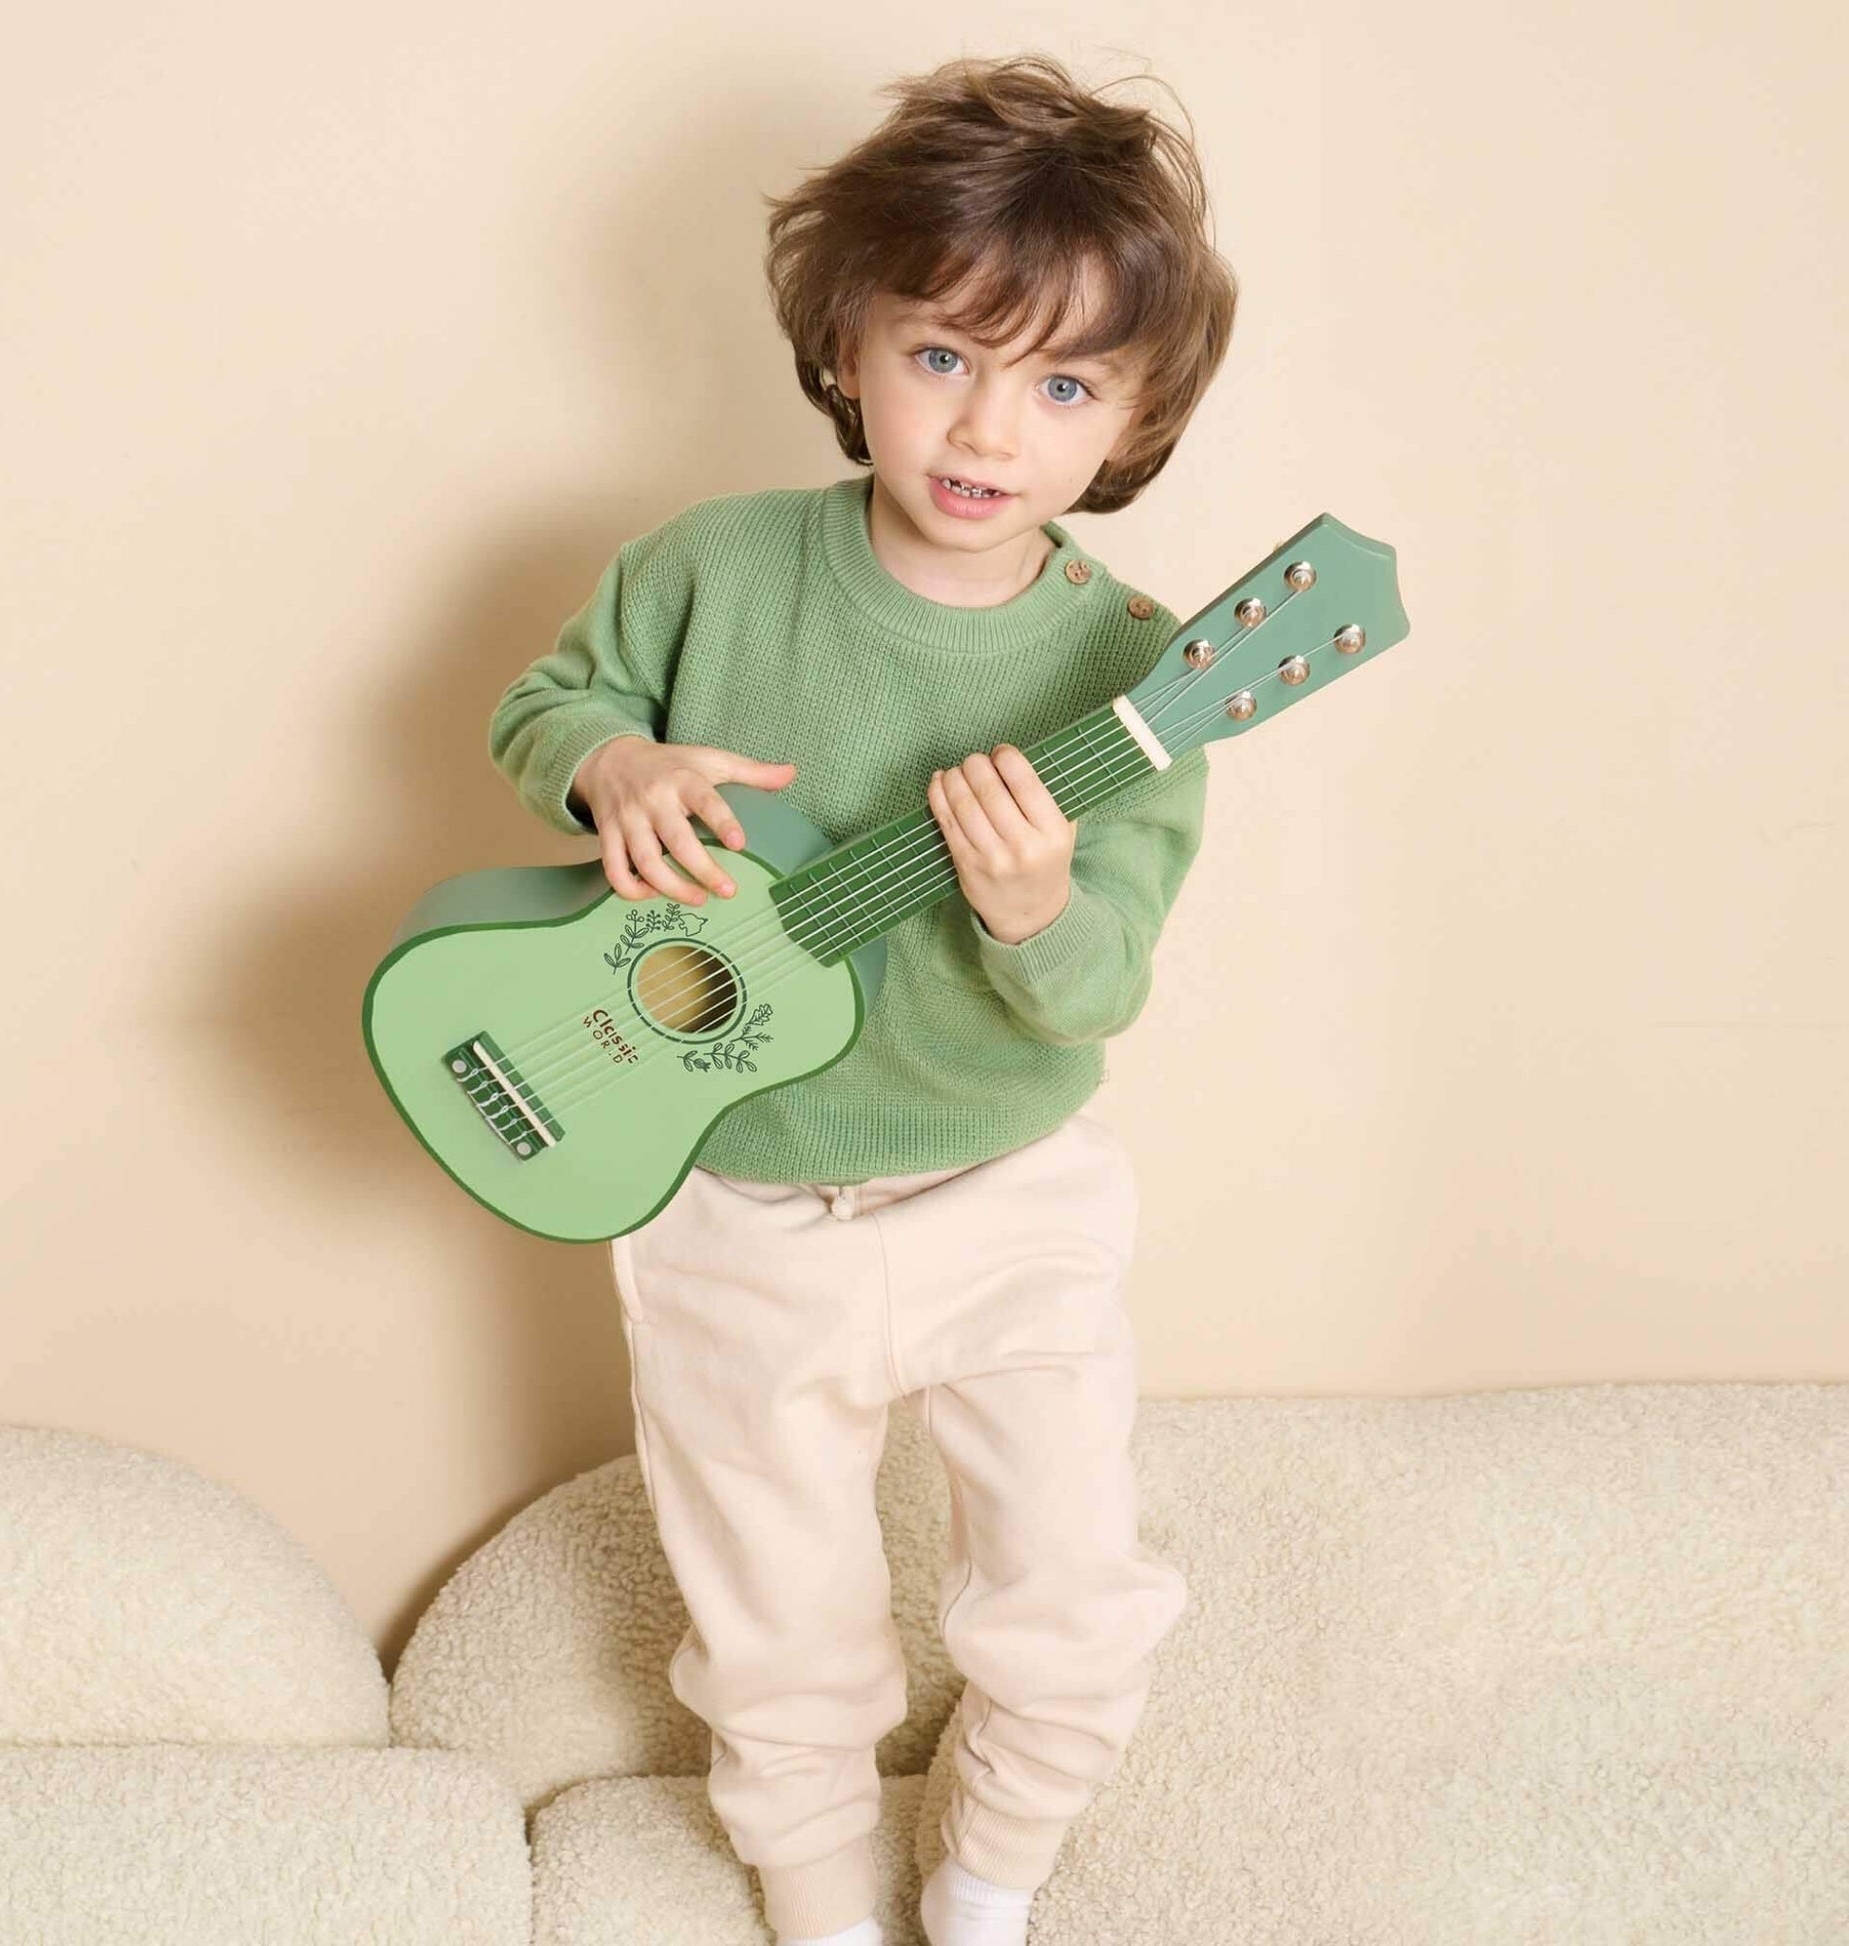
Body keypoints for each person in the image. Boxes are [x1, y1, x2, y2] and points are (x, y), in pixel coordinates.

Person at [489, 51, 1237, 1946]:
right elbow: (542, 707)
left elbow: (1093, 993)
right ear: (846, 341)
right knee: (775, 1625)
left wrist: (1035, 900)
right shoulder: (710, 568)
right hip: (734, 1194)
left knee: (1074, 1595)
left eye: (1063, 383)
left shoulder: (1136, 674)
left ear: (1133, 421)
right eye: (944, 357)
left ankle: (985, 1882)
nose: (989, 424)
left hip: (1004, 1195)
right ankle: (822, 1904)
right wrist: (612, 771)